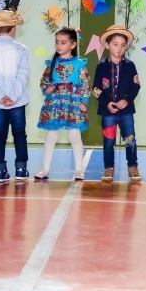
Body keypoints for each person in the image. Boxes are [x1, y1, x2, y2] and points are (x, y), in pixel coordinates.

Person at [0, 9, 30, 183]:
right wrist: (13, 97)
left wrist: (0, 96)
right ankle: (21, 169)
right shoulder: (22, 49)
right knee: (19, 134)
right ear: (14, 28)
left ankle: (0, 171)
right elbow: (23, 75)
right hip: (18, 101)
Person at [35, 28, 91, 181]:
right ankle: (45, 169)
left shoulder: (79, 64)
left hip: (73, 103)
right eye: (57, 42)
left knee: (75, 135)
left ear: (73, 45)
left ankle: (79, 170)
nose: (59, 45)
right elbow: (44, 82)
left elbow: (86, 84)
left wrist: (84, 101)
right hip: (55, 103)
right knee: (51, 135)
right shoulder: (51, 64)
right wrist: (47, 88)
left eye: (63, 42)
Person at [93, 25, 141, 183]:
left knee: (130, 139)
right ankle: (109, 167)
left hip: (126, 112)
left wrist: (126, 100)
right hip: (108, 113)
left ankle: (132, 166)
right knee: (109, 141)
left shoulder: (130, 65)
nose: (119, 49)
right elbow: (96, 89)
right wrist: (107, 103)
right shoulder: (101, 67)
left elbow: (136, 86)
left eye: (123, 45)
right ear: (107, 45)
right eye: (115, 44)